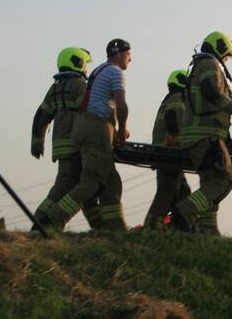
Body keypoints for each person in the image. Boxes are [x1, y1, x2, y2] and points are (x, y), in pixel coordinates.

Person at [44, 38, 132, 231]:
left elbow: (102, 103)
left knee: (111, 183)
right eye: (129, 54)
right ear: (119, 54)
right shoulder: (116, 72)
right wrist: (122, 130)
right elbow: (121, 105)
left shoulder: (98, 70)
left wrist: (116, 130)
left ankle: (115, 229)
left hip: (84, 128)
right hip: (96, 129)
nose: (131, 59)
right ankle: (53, 219)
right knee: (91, 183)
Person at [173, 31, 232, 232]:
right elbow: (210, 91)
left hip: (200, 136)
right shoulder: (209, 64)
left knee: (210, 184)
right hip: (206, 136)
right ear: (220, 49)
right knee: (223, 181)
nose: (225, 61)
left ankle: (208, 231)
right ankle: (184, 212)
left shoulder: (199, 65)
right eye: (226, 56)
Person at [31, 47, 95, 229]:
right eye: (85, 65)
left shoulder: (55, 88)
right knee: (73, 187)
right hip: (77, 146)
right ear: (78, 63)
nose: (86, 69)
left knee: (65, 186)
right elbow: (92, 114)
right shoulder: (79, 86)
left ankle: (41, 223)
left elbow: (40, 117)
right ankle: (46, 224)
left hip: (61, 147)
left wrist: (37, 144)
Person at [143, 69, 192, 230]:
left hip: (163, 151)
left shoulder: (167, 100)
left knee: (183, 192)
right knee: (166, 191)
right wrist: (176, 136)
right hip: (170, 152)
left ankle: (184, 228)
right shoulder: (179, 98)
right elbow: (173, 117)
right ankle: (151, 226)